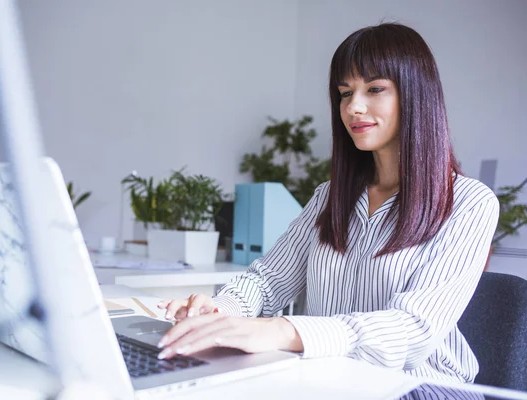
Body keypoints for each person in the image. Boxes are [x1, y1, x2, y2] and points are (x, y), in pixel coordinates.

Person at [156, 23, 499, 384]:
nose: (354, 107)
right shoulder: (329, 196)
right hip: (327, 380)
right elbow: (268, 281)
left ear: (416, 96)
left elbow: (413, 329)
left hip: (419, 386)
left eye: (375, 89)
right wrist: (220, 310)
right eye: (345, 93)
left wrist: (285, 331)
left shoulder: (469, 203)